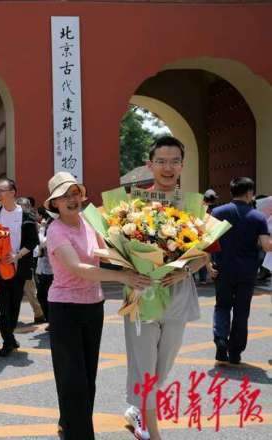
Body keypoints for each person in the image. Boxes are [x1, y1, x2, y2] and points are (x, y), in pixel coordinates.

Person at [44, 172, 150, 440]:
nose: (72, 199)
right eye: (64, 196)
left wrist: (142, 254)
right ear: (54, 203)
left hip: (93, 306)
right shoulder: (56, 231)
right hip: (65, 308)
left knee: (87, 376)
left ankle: (69, 423)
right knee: (73, 378)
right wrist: (123, 276)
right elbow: (80, 269)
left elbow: (110, 252)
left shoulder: (91, 222)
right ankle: (79, 434)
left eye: (75, 193)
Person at [123, 136, 209, 440]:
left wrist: (185, 268)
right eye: (161, 161)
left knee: (164, 362)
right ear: (150, 165)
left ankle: (138, 407)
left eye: (174, 161)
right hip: (143, 291)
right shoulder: (133, 205)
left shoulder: (194, 205)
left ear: (182, 166)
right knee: (144, 362)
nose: (167, 167)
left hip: (178, 291)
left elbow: (205, 253)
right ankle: (151, 429)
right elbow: (119, 250)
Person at [211, 177, 272, 364]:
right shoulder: (257, 217)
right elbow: (266, 246)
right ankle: (235, 352)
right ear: (249, 193)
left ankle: (221, 340)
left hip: (222, 269)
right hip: (247, 272)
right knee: (241, 311)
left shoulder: (217, 212)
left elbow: (207, 242)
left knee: (222, 306)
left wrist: (207, 265)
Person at [0, 178, 39, 357]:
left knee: (14, 304)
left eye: (2, 190)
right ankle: (7, 340)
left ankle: (10, 334)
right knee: (2, 304)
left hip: (18, 267)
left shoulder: (26, 215)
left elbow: (32, 242)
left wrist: (16, 256)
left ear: (13, 192)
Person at [16, 197, 45, 324]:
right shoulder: (13, 219)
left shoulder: (30, 221)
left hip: (28, 258)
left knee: (30, 288)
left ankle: (39, 313)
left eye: (22, 207)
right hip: (13, 259)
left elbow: (35, 242)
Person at [35, 207, 54, 329]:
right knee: (42, 295)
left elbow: (42, 242)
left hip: (52, 269)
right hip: (44, 266)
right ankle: (51, 320)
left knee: (46, 295)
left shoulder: (54, 225)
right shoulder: (49, 223)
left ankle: (53, 320)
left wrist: (41, 229)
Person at [197, 189, 219, 284]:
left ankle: (203, 278)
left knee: (202, 255)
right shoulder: (215, 209)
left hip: (202, 234)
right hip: (212, 235)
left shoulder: (200, 208)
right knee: (209, 255)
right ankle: (209, 274)